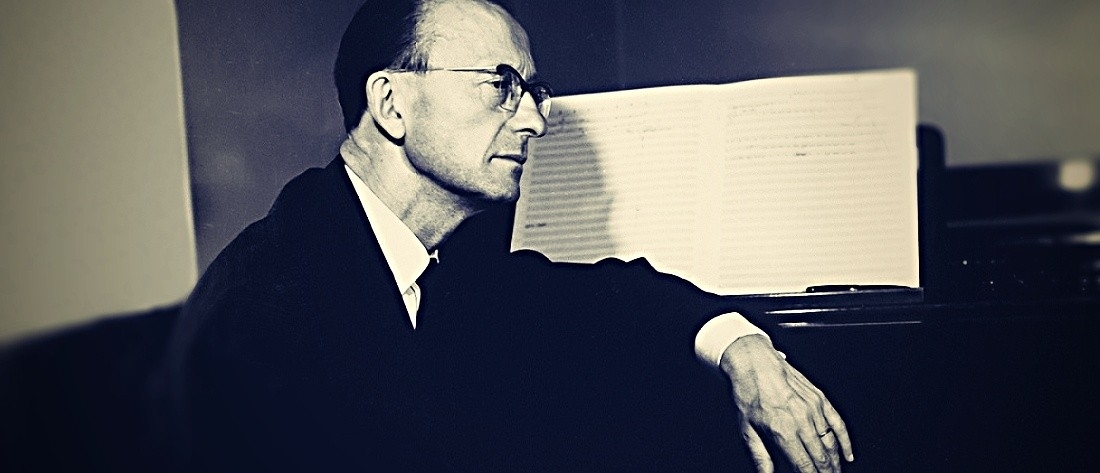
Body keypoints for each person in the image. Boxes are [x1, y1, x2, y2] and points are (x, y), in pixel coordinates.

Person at [158, 0, 853, 471]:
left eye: (533, 91)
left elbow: (614, 295)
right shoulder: (266, 303)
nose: (535, 122)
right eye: (501, 84)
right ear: (391, 104)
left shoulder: (452, 260)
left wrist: (742, 347)